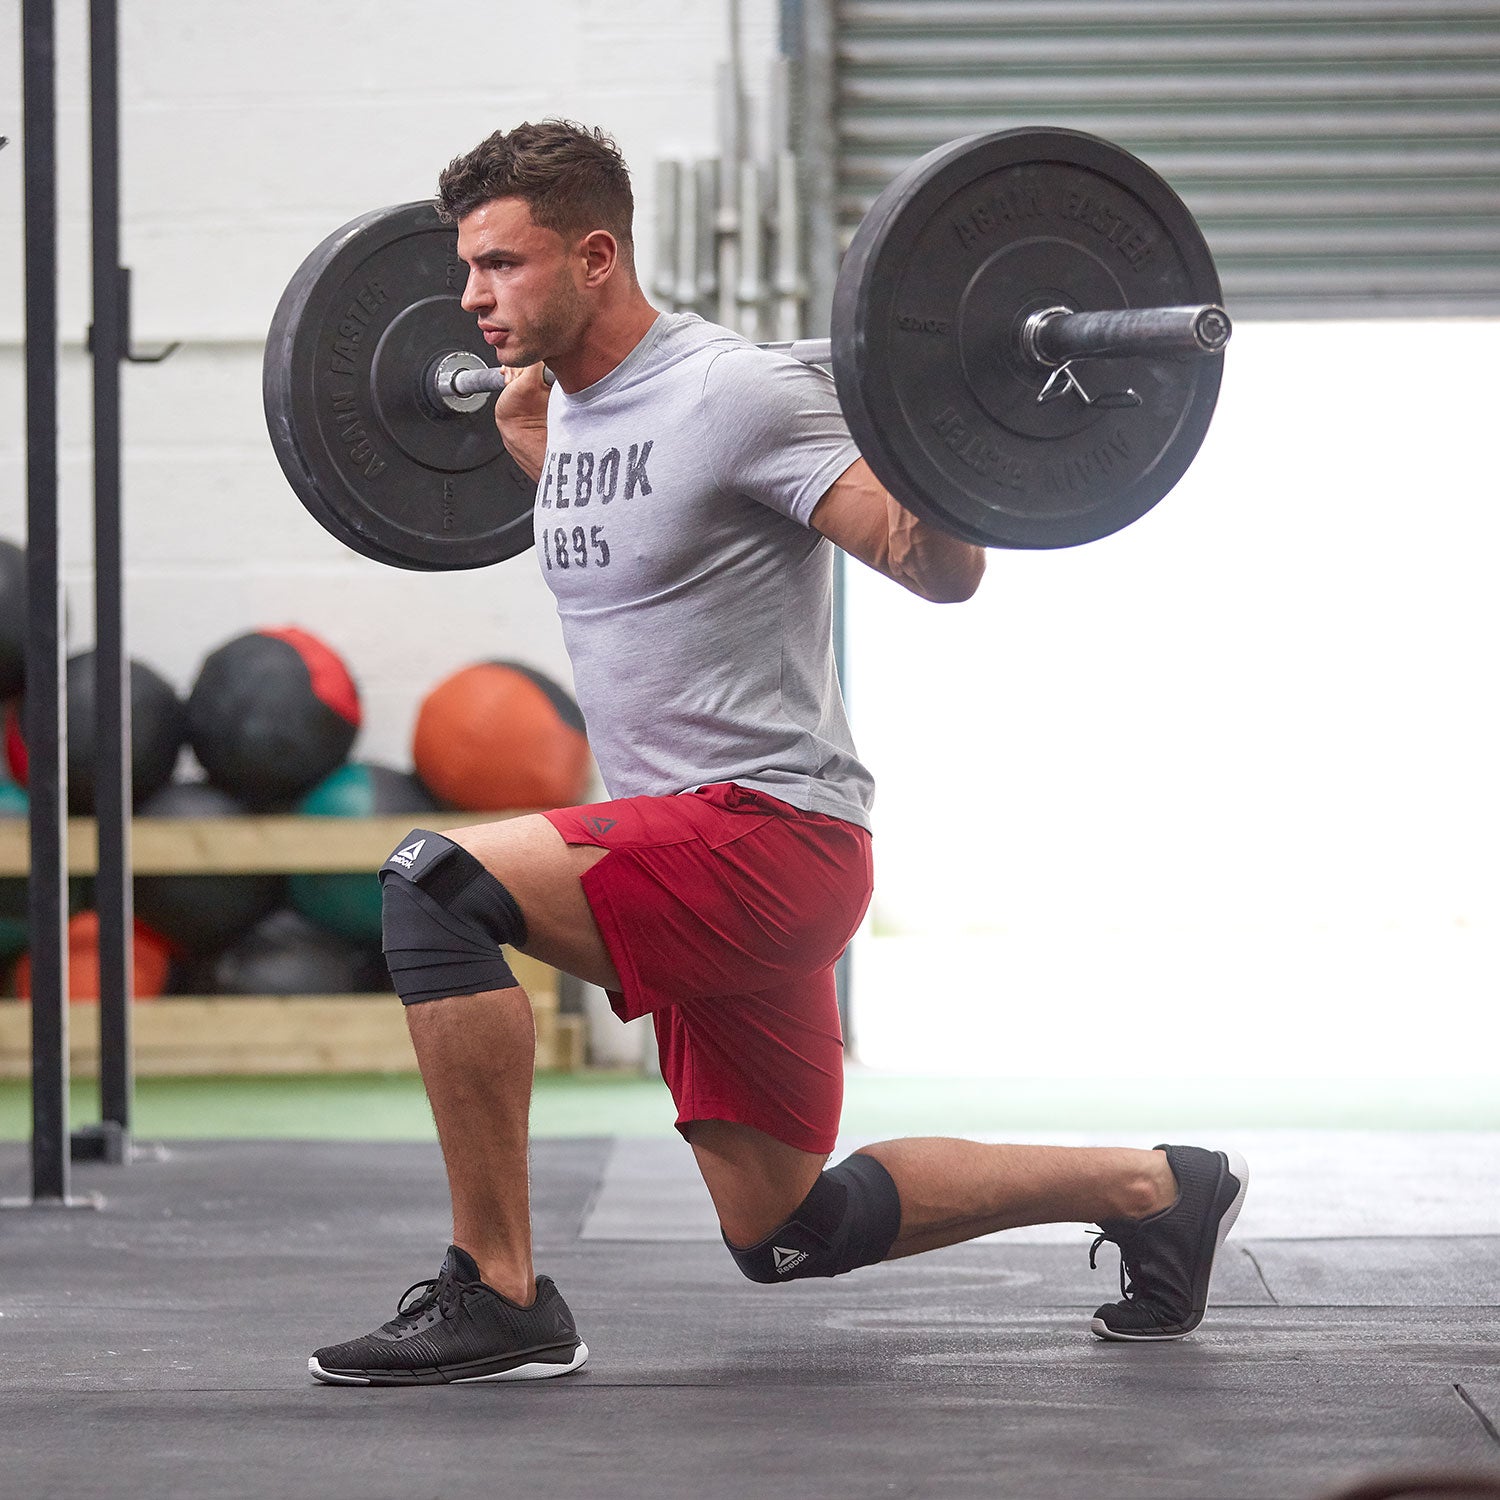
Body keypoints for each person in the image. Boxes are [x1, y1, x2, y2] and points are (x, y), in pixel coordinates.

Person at [307, 121, 1247, 1387]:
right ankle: (1156, 1188)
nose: (471, 297)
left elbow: (933, 567)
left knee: (436, 888)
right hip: (691, 847)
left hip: (771, 834)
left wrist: (955, 434)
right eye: (466, 268)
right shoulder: (557, 414)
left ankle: (501, 1290)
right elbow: (624, 522)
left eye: (503, 265)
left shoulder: (735, 393)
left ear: (596, 256)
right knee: (788, 1231)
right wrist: (536, 443)